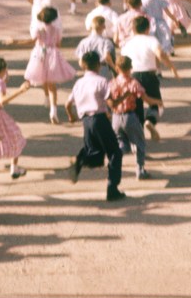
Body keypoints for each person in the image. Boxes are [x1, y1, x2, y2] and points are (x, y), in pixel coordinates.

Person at [66, 50, 125, 202]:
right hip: (100, 119)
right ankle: (112, 188)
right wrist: (125, 96)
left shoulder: (78, 83)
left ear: (83, 66)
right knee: (115, 153)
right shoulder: (101, 81)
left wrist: (71, 116)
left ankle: (79, 161)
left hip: (86, 121)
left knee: (96, 154)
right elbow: (111, 103)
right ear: (98, 65)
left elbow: (67, 104)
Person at [121, 15, 177, 140]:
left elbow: (123, 61)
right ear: (147, 29)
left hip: (133, 76)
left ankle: (138, 135)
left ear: (133, 29)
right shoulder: (151, 40)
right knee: (156, 103)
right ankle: (150, 121)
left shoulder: (127, 43)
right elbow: (160, 53)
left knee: (136, 106)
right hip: (149, 76)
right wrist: (172, 67)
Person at [24, 5, 76, 124]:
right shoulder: (56, 30)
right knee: (52, 84)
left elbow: (33, 40)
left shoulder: (39, 29)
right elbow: (58, 44)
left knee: (42, 77)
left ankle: (46, 98)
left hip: (39, 54)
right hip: (52, 54)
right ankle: (53, 110)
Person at [109, 55, 159, 180]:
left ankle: (116, 157)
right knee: (139, 143)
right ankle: (140, 170)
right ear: (130, 68)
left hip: (115, 117)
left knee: (121, 142)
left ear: (116, 68)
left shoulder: (112, 83)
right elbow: (145, 98)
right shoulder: (133, 83)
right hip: (129, 116)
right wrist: (157, 102)